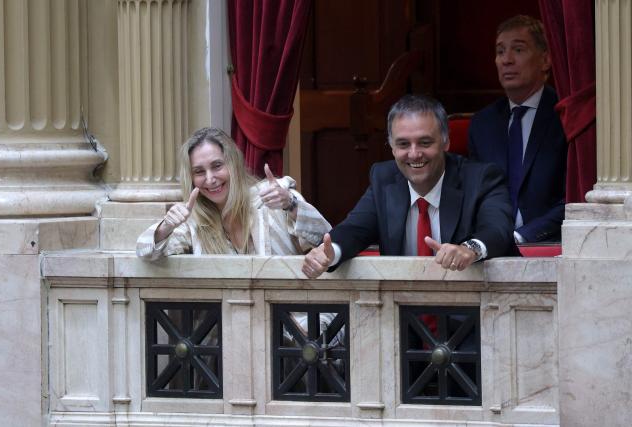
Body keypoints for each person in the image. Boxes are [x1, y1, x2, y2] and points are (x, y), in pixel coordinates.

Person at [302, 95, 518, 279]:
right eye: (403, 144)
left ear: (445, 142)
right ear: (392, 147)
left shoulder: (482, 178)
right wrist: (330, 253)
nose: (414, 154)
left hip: (478, 318)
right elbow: (355, 229)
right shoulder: (384, 178)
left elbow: (497, 230)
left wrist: (469, 249)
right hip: (404, 317)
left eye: (425, 143)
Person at [137, 127, 331, 259]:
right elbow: (145, 252)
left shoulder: (274, 194)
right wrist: (166, 227)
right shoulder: (195, 220)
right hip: (228, 318)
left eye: (217, 166)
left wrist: (291, 204)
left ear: (234, 164)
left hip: (289, 316)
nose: (210, 178)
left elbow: (324, 239)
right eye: (199, 172)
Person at [468, 15, 567, 243]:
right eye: (500, 51)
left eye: (518, 50)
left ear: (545, 60)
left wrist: (522, 236)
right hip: (491, 245)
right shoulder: (483, 124)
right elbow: (476, 196)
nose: (506, 60)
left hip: (554, 245)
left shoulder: (565, 116)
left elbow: (575, 198)